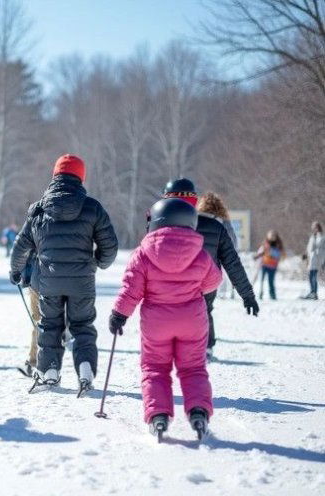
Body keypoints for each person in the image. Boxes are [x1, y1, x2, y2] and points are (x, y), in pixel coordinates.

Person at [110, 198, 222, 439]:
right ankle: (199, 411)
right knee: (193, 368)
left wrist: (119, 314)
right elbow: (214, 281)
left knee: (155, 368)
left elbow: (131, 289)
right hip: (192, 320)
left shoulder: (143, 254)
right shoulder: (200, 254)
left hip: (156, 323)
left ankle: (158, 415)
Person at [9, 154, 118, 391]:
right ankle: (86, 369)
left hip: (49, 281)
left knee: (50, 325)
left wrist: (16, 271)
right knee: (82, 325)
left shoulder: (39, 209)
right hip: (82, 281)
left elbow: (21, 245)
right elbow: (110, 245)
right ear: (81, 176)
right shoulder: (93, 208)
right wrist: (98, 262)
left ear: (55, 175)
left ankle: (49, 370)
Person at [162, 183, 259, 361]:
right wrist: (247, 295)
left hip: (175, 281)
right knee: (205, 311)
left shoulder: (164, 224)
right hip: (207, 281)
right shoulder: (217, 226)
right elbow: (232, 263)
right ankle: (206, 347)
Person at [254, 230, 285, 300]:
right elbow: (262, 252)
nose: (271, 237)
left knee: (271, 281)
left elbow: (280, 255)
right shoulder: (266, 243)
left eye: (273, 236)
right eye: (270, 235)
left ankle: (272, 295)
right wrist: (257, 256)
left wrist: (273, 255)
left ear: (276, 237)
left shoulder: (278, 245)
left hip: (272, 266)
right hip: (264, 264)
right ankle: (261, 293)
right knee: (261, 280)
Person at [302, 221, 324, 300]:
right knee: (310, 276)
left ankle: (314, 293)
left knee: (314, 276)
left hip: (316, 259)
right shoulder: (312, 237)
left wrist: (321, 260)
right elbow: (309, 247)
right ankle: (312, 291)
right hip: (311, 259)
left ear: (318, 227)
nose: (314, 228)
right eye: (313, 227)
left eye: (315, 227)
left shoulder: (321, 237)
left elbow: (321, 249)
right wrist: (305, 254)